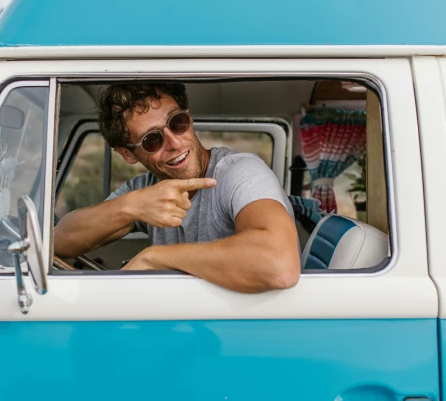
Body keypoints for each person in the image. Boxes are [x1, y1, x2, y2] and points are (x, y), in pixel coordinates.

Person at [54, 83, 300, 293]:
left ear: (189, 119)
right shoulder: (146, 190)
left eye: (177, 122)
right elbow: (57, 243)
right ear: (128, 155)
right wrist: (131, 207)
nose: (174, 142)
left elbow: (280, 266)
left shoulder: (240, 172)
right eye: (152, 139)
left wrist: (154, 258)